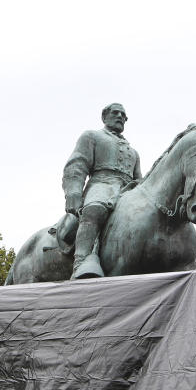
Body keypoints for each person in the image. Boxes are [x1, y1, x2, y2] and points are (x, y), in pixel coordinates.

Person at [62, 103, 142, 279]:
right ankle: (81, 262)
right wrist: (73, 192)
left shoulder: (133, 152)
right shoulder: (92, 136)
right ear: (104, 117)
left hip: (128, 190)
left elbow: (139, 180)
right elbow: (77, 165)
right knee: (95, 209)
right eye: (115, 113)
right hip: (101, 183)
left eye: (123, 115)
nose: (120, 116)